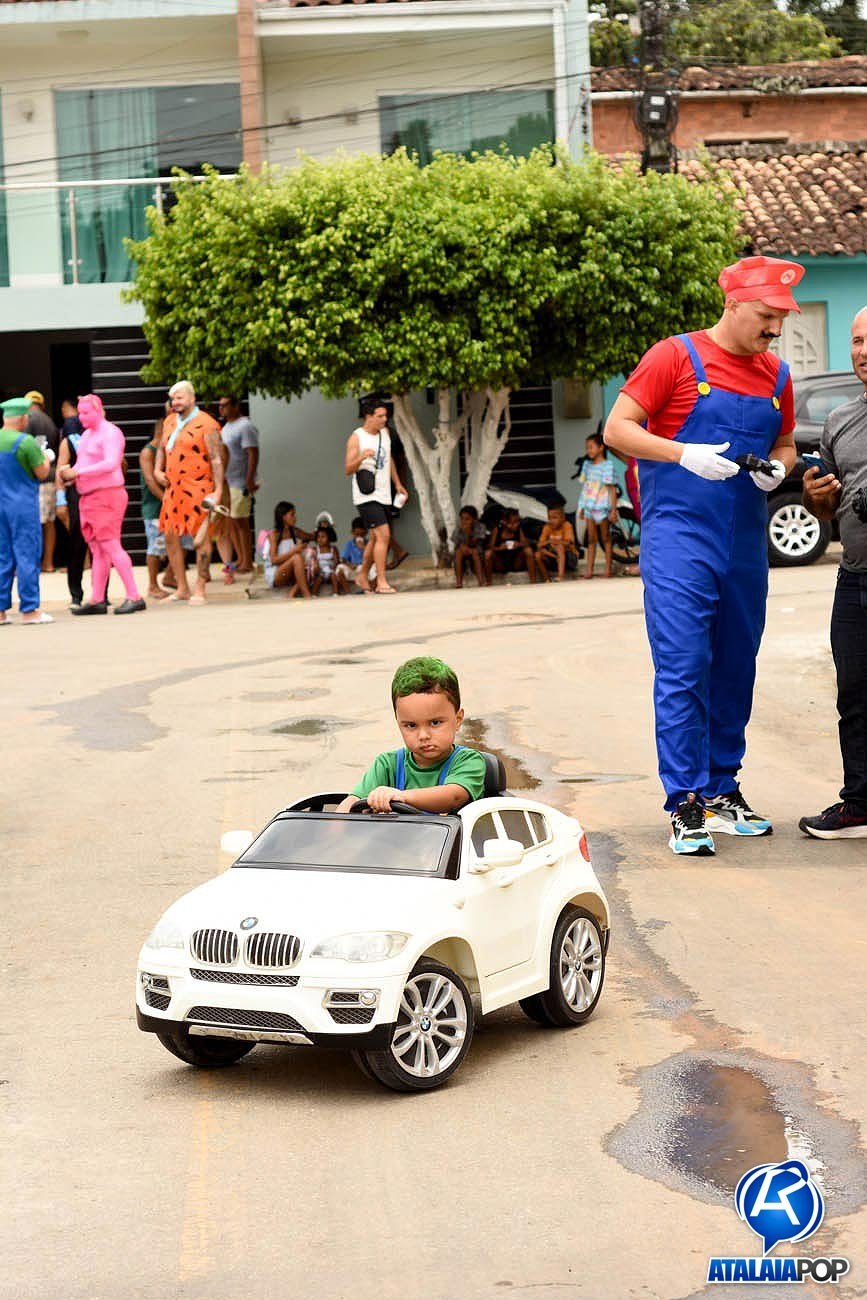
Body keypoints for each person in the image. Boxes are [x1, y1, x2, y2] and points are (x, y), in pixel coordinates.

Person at [604, 254, 803, 855]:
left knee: (737, 664)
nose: (775, 329)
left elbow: (786, 443)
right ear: (733, 304)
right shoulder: (674, 357)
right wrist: (681, 453)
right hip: (680, 538)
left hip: (745, 542)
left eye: (782, 318)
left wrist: (779, 469)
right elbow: (618, 428)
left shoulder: (777, 375)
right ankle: (685, 799)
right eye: (766, 316)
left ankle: (722, 787)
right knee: (685, 663)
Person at [798, 306, 867, 839]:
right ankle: (860, 803)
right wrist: (815, 495)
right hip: (854, 577)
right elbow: (825, 509)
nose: (864, 352)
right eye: (857, 341)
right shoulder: (840, 419)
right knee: (855, 696)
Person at [336, 656, 487, 813]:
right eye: (411, 725)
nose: (423, 735)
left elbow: (453, 797)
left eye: (435, 723)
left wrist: (401, 796)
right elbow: (352, 801)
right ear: (398, 723)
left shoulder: (469, 761)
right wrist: (339, 821)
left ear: (458, 719)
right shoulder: (388, 765)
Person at [61, 394, 145, 616]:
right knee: (97, 549)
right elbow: (82, 463)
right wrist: (69, 475)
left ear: (99, 411)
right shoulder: (87, 435)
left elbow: (111, 463)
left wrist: (78, 472)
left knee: (111, 545)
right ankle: (97, 598)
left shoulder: (110, 432)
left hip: (107, 495)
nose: (81, 417)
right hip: (88, 497)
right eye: (80, 412)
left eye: (86, 412)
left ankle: (134, 595)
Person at [155, 380, 226, 605]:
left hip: (198, 488)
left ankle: (200, 588)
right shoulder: (169, 421)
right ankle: (182, 588)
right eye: (173, 398)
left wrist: (218, 491)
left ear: (192, 398)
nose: (175, 402)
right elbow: (161, 448)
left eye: (180, 397)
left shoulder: (207, 424)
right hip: (173, 489)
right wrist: (157, 470)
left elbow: (216, 459)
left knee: (201, 538)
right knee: (170, 536)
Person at [344, 398, 409, 595]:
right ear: (368, 416)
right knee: (384, 535)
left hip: (384, 493)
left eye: (385, 416)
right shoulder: (356, 437)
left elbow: (389, 460)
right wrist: (361, 457)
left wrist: (398, 484)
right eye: (380, 416)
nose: (384, 419)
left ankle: (363, 574)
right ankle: (381, 581)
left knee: (375, 538)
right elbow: (348, 468)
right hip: (366, 495)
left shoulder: (385, 434)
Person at [0, 396, 53, 626]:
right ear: (22, 419)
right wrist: (46, 458)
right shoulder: (26, 442)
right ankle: (30, 610)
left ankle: (0, 612)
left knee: (2, 557)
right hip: (22, 507)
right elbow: (42, 472)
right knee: (26, 555)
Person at [217, 395, 259, 577]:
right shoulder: (226, 427)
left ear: (235, 406)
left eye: (225, 405)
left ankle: (247, 561)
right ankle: (241, 558)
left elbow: (253, 453)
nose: (221, 409)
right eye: (220, 406)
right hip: (228, 482)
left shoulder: (245, 426)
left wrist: (249, 479)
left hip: (240, 482)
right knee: (231, 522)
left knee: (241, 521)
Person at [55, 410, 88, 609]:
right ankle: (76, 595)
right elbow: (60, 469)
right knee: (77, 543)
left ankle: (101, 594)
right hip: (76, 493)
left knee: (102, 547)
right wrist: (60, 501)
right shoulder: (69, 441)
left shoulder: (104, 435)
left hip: (99, 491)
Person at [25, 390, 60, 574]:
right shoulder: (49, 421)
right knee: (49, 521)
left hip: (39, 478)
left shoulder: (30, 419)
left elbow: (35, 451)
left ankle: (34, 563)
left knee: (35, 522)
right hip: (51, 476)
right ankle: (48, 562)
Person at [577, 431, 618, 579]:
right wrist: (582, 507)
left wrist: (613, 510)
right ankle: (589, 571)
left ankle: (607, 570)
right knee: (591, 539)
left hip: (602, 507)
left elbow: (612, 489)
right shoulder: (587, 466)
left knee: (605, 538)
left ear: (601, 447)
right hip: (589, 507)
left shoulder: (607, 466)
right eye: (586, 448)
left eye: (591, 447)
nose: (588, 450)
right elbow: (585, 487)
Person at [139, 418, 170, 600]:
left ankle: (170, 575)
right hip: (154, 509)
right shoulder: (148, 452)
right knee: (155, 547)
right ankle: (152, 585)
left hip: (168, 507)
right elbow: (151, 481)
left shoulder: (165, 450)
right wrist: (166, 500)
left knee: (181, 542)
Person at [264, 500, 312, 597]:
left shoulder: (295, 532)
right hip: (276, 574)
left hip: (290, 573)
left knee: (310, 569)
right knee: (297, 557)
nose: (295, 517)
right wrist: (293, 551)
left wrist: (324, 527)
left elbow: (312, 537)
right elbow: (274, 560)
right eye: (292, 515)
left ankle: (292, 592)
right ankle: (307, 595)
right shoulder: (274, 534)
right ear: (283, 517)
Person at [536, 503, 580, 581]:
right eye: (549, 518)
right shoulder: (547, 527)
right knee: (538, 554)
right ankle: (547, 579)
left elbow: (568, 543)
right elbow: (539, 545)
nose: (551, 521)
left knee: (560, 547)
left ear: (563, 518)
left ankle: (560, 577)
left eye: (554, 518)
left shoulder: (567, 525)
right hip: (555, 557)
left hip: (569, 559)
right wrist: (549, 541)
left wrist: (554, 542)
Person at [305, 525, 349, 596]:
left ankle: (335, 592)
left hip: (330, 570)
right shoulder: (316, 549)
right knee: (318, 579)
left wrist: (334, 565)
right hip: (320, 571)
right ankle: (314, 594)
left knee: (333, 576)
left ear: (329, 538)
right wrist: (316, 565)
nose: (320, 539)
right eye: (318, 537)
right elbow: (314, 560)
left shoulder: (333, 549)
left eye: (323, 537)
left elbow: (336, 561)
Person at [452, 505, 489, 588]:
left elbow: (474, 543)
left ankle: (481, 581)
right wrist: (463, 547)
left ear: (475, 520)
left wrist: (468, 533)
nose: (464, 521)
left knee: (475, 552)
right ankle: (458, 582)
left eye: (467, 519)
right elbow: (456, 542)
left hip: (477, 552)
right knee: (458, 553)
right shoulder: (458, 527)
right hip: (463, 551)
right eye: (462, 519)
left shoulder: (480, 527)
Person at [337, 517, 368, 588]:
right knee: (340, 569)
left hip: (364, 568)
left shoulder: (368, 543)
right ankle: (347, 591)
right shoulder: (349, 544)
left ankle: (370, 589)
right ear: (352, 532)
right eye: (357, 534)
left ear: (366, 532)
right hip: (353, 567)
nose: (359, 536)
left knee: (375, 568)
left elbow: (373, 558)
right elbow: (343, 559)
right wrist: (350, 564)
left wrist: (364, 547)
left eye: (362, 534)